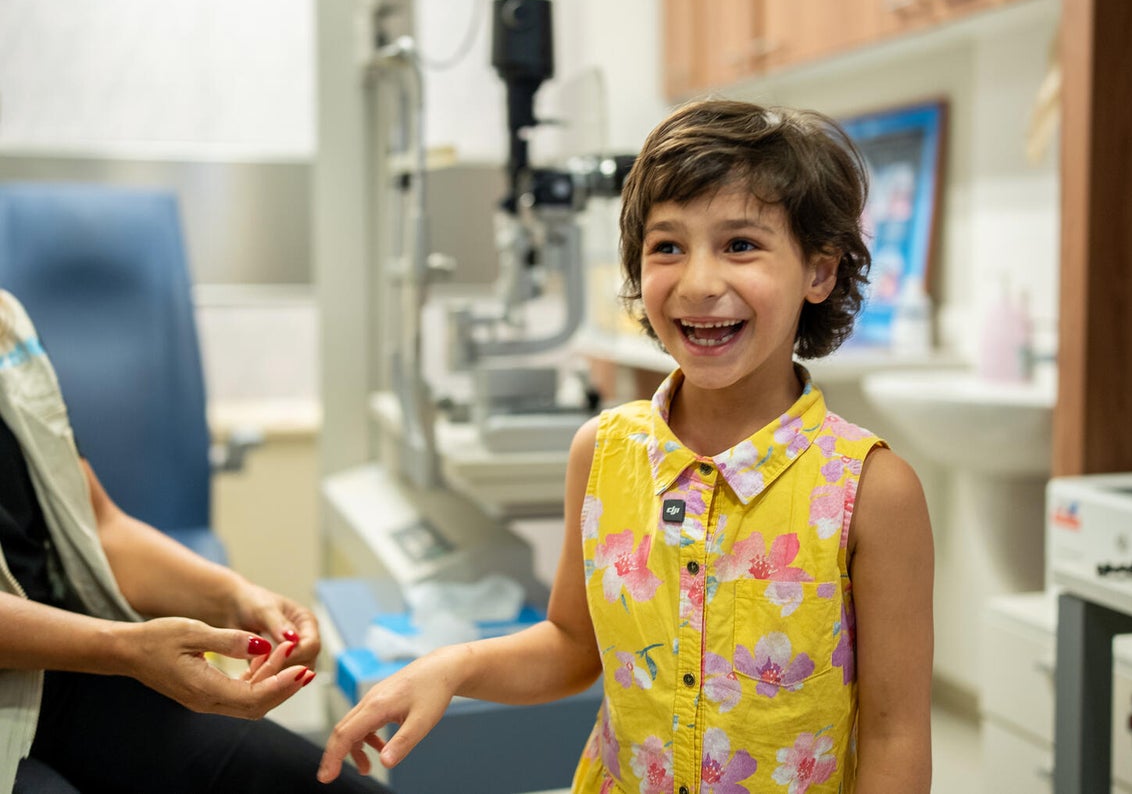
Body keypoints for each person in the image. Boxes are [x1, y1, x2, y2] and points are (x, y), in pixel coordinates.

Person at [318, 99, 935, 793]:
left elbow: (896, 734)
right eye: (668, 246)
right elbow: (573, 647)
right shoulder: (602, 452)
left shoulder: (872, 490)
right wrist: (453, 666)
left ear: (819, 273)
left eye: (740, 245)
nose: (699, 283)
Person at [0, 289, 388, 793]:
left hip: (59, 673)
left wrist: (238, 599)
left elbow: (97, 527)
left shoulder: (7, 322)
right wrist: (126, 649)